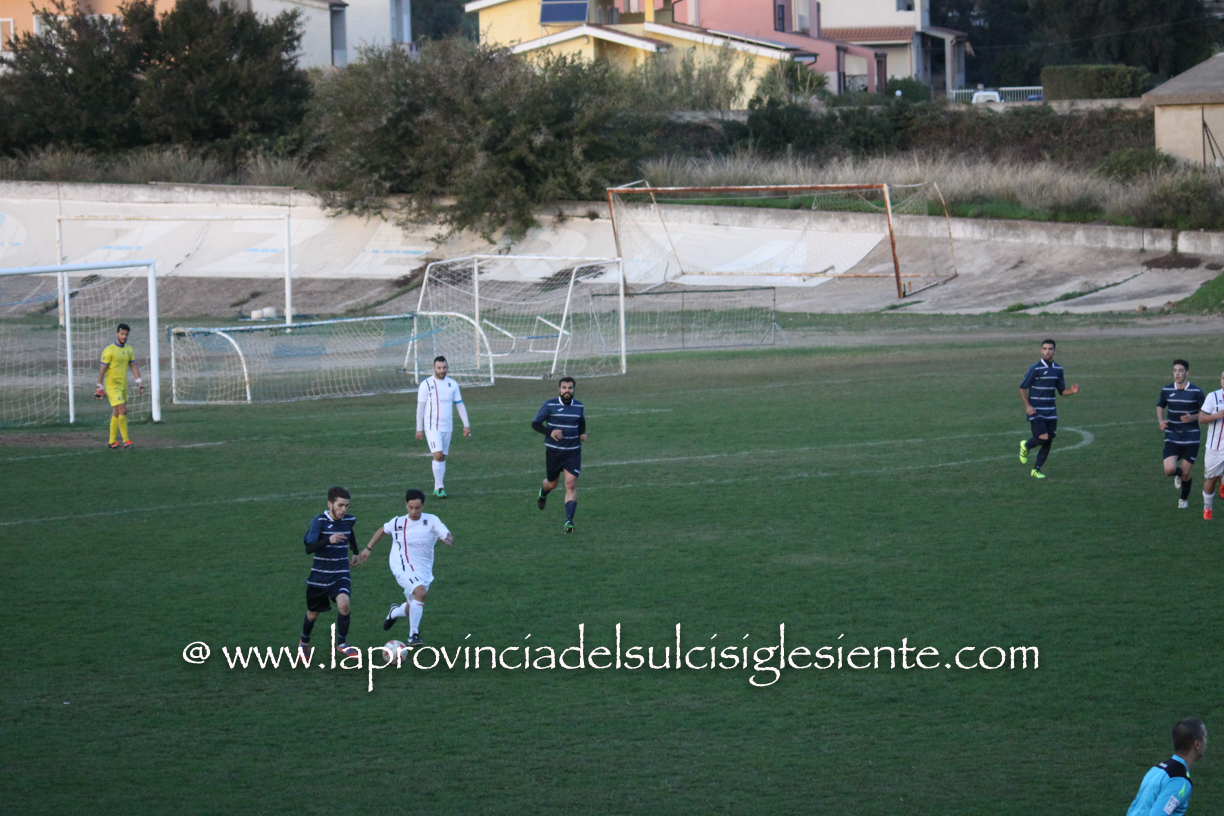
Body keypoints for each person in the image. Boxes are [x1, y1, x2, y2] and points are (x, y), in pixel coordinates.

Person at [360, 488, 453, 646]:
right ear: (406, 505)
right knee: (421, 593)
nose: (414, 511)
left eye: (417, 507)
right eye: (410, 507)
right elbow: (383, 530)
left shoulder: (432, 520)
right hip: (401, 565)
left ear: (423, 506)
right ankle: (413, 635)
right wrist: (368, 548)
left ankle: (394, 612)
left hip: (423, 570)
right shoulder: (398, 522)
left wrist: (448, 540)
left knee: (413, 606)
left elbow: (447, 535)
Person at [300, 486, 360, 658]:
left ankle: (342, 644)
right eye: (340, 505)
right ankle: (304, 642)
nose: (343, 510)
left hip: (340, 573)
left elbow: (349, 532)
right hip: (319, 577)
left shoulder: (349, 520)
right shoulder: (319, 521)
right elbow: (309, 548)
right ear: (330, 504)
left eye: (346, 506)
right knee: (313, 615)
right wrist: (328, 540)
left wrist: (355, 551)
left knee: (344, 604)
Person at [1018, 339, 1080, 479]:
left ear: (1054, 351)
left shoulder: (1058, 369)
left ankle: (1036, 470)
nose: (1047, 351)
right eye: (1045, 349)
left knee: (1048, 440)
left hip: (1051, 411)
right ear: (1041, 350)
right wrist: (1028, 406)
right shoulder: (1035, 368)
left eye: (1050, 349)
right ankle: (1025, 446)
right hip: (1036, 411)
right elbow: (1022, 387)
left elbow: (1061, 391)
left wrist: (1071, 391)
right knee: (1043, 437)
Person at [533, 376, 587, 533]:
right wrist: (550, 431)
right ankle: (543, 493)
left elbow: (581, 422)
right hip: (554, 453)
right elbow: (535, 424)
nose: (567, 391)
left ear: (574, 390)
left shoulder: (579, 406)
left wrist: (582, 434)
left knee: (571, 484)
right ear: (559, 389)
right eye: (564, 388)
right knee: (551, 484)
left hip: (573, 452)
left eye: (570, 388)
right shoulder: (549, 405)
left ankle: (569, 521)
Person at [1125, 718, 1207, 816]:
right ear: (1197, 744)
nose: (1206, 741)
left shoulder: (1157, 770)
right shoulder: (1180, 780)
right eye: (1205, 737)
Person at [415, 356, 471, 498]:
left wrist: (466, 425)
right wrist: (419, 428)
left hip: (447, 427)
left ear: (447, 368)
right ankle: (440, 487)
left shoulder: (452, 384)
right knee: (438, 455)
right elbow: (420, 407)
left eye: (444, 368)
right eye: (439, 368)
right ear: (434, 368)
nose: (442, 370)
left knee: (442, 458)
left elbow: (459, 404)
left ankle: (437, 487)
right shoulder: (426, 384)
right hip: (432, 426)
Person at [1157, 360, 1206, 509]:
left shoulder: (1196, 392)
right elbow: (1160, 405)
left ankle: (1183, 499)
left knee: (1186, 472)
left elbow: (1206, 412)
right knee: (1169, 470)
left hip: (1191, 438)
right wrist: (1160, 421)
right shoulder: (1167, 390)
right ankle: (1178, 473)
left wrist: (1193, 417)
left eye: (1180, 371)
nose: (1177, 374)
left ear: (1187, 373)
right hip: (1172, 436)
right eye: (1175, 371)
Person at [95, 323, 143, 449]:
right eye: (122, 334)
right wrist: (99, 387)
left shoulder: (129, 349)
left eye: (126, 334)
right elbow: (102, 370)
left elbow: (133, 365)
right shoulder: (109, 350)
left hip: (123, 386)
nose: (124, 336)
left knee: (117, 412)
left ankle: (112, 442)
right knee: (123, 410)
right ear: (117, 334)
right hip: (112, 385)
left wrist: (139, 381)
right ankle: (126, 441)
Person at [1197, 371, 1224, 520]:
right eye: (1223, 378)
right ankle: (1207, 508)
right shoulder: (1213, 396)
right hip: (1215, 448)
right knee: (1211, 479)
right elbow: (1201, 418)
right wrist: (1216, 416)